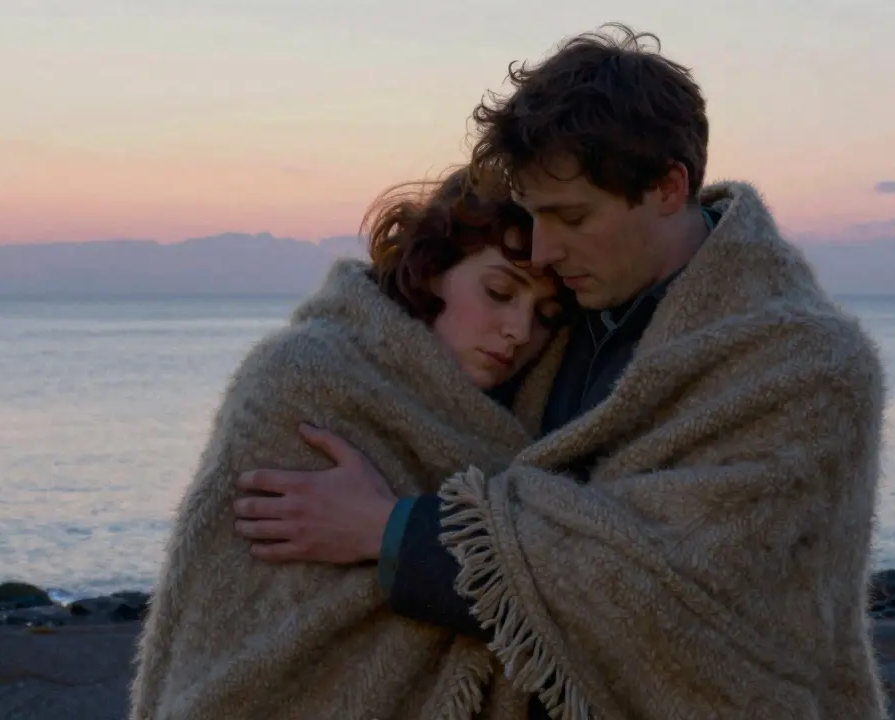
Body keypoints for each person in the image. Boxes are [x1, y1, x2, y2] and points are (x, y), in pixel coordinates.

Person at [234, 23, 891, 720]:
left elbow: (669, 590)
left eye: (571, 217)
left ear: (668, 187)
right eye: (534, 216)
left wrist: (389, 531)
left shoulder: (807, 367)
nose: (543, 250)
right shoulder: (566, 315)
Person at [128, 165, 577, 720]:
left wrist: (389, 528)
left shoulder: (536, 422)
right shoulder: (303, 377)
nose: (519, 330)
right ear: (434, 269)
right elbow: (232, 599)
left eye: (546, 316)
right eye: (499, 292)